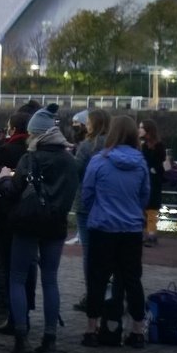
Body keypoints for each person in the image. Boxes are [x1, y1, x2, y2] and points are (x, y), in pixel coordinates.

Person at [0, 104, 78, 353]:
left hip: (28, 223)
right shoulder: (69, 160)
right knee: (51, 279)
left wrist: (4, 179)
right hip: (55, 225)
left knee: (17, 278)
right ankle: (50, 338)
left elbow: (13, 191)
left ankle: (20, 337)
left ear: (37, 134)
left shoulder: (30, 158)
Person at [80, 115, 150, 349]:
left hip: (102, 227)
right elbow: (144, 195)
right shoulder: (140, 162)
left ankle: (92, 328)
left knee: (97, 279)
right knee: (132, 279)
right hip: (130, 229)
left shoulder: (99, 161)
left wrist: (98, 211)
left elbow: (87, 194)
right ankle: (137, 331)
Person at [0, 112, 30, 326]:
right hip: (30, 214)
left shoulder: (5, 149)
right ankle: (22, 309)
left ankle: (3, 305)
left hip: (5, 213)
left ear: (12, 129)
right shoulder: (32, 150)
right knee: (24, 266)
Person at [71, 108, 110, 312]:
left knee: (89, 253)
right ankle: (110, 293)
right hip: (109, 204)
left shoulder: (88, 145)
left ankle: (92, 295)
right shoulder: (115, 145)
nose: (85, 125)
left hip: (86, 205)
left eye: (88, 122)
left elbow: (76, 171)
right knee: (108, 251)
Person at [138, 119, 165, 247]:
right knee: (144, 210)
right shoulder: (142, 146)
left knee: (151, 210)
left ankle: (151, 236)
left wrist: (154, 170)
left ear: (148, 130)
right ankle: (146, 235)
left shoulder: (159, 146)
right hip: (145, 181)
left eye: (142, 128)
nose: (139, 130)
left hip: (154, 183)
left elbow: (161, 165)